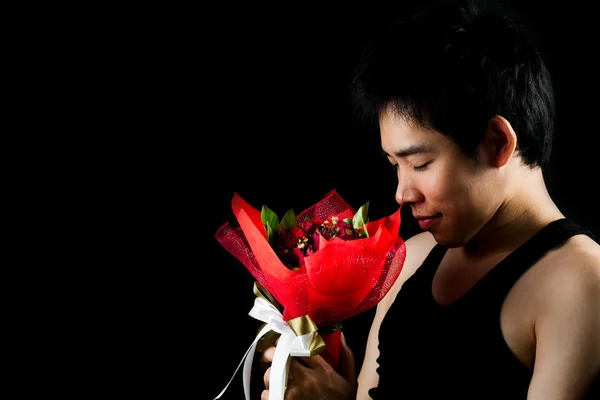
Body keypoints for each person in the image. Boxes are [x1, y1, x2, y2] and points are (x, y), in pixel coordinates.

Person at [259, 0, 600, 398]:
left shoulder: (581, 283)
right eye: (394, 165)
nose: (402, 193)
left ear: (497, 142)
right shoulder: (411, 260)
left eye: (419, 163)